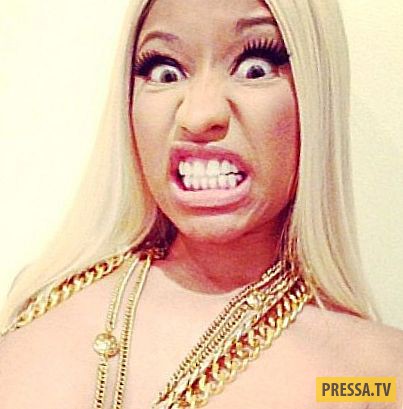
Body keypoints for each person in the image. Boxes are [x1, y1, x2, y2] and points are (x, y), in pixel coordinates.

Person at [1, 0, 402, 408]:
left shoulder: (372, 377)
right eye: (164, 71)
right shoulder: (43, 305)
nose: (198, 115)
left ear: (317, 96)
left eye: (256, 67)